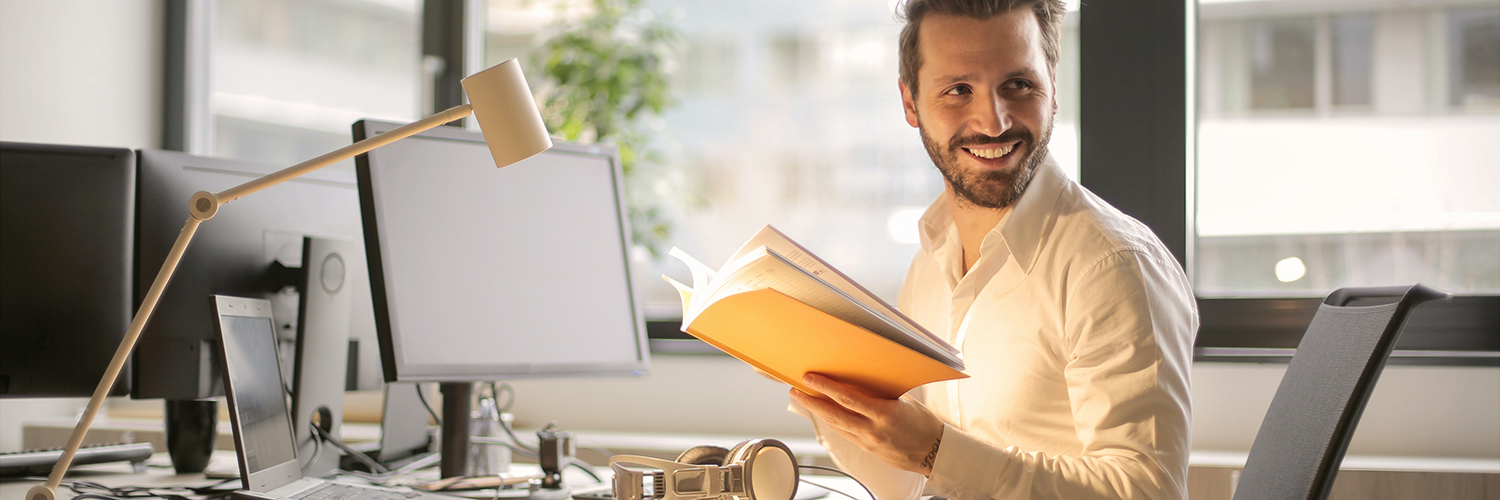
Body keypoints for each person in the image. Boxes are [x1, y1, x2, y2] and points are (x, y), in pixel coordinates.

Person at [787, 1, 1198, 498]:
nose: (994, 120)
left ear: (1052, 90)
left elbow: (1147, 491)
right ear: (911, 103)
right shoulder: (929, 264)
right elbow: (912, 482)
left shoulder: (1112, 266)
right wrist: (829, 396)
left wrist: (937, 450)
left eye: (1018, 86)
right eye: (959, 90)